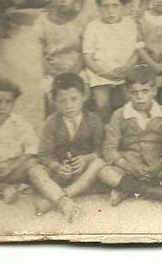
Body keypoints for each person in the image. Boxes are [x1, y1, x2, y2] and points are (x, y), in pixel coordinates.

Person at [27, 73, 106, 221]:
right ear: (55, 102)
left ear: (84, 96)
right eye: (62, 101)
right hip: (61, 174)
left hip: (85, 175)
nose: (69, 105)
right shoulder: (51, 122)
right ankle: (64, 202)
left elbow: (101, 150)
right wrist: (57, 167)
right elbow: (44, 154)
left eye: (73, 99)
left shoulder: (94, 120)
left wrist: (87, 158)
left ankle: (58, 197)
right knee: (34, 170)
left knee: (99, 164)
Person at [98, 65, 162, 206]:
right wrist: (129, 166)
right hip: (128, 167)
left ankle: (127, 189)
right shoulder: (119, 114)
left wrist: (158, 165)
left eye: (145, 91)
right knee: (104, 172)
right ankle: (155, 192)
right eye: (134, 92)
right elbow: (109, 148)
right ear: (127, 93)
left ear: (154, 91)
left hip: (156, 167)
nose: (139, 97)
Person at [82, 0, 140, 122]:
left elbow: (137, 52)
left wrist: (127, 68)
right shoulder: (93, 27)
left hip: (126, 73)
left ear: (123, 7)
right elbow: (87, 56)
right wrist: (103, 72)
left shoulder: (130, 24)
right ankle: (105, 132)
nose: (110, 11)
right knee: (102, 104)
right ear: (98, 7)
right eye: (105, 6)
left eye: (115, 6)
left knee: (130, 101)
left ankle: (128, 130)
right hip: (101, 74)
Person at [35, 0, 86, 116]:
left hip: (78, 69)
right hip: (53, 71)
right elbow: (40, 52)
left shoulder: (81, 19)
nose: (63, 0)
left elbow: (85, 51)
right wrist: (52, 71)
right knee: (52, 97)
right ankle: (54, 125)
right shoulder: (42, 21)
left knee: (82, 95)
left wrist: (74, 71)